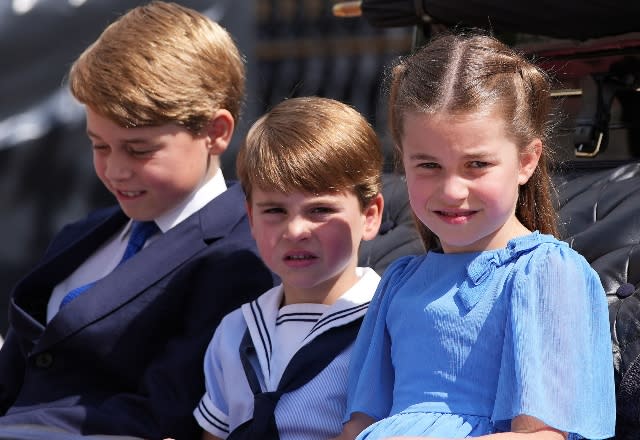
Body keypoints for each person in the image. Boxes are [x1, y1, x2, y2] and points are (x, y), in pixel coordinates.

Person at [0, 2, 276, 439]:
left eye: (139, 149)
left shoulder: (244, 251)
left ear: (216, 132)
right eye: (99, 146)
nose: (114, 170)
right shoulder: (82, 236)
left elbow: (169, 408)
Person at [335, 32, 616, 440]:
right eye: (428, 165)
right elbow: (359, 424)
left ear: (526, 161)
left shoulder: (544, 273)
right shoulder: (399, 283)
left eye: (477, 164)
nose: (452, 190)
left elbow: (542, 435)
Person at [193, 96, 385, 440]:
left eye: (320, 210)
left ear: (369, 216)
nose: (295, 231)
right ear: (250, 218)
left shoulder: (387, 326)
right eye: (274, 211)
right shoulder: (234, 330)